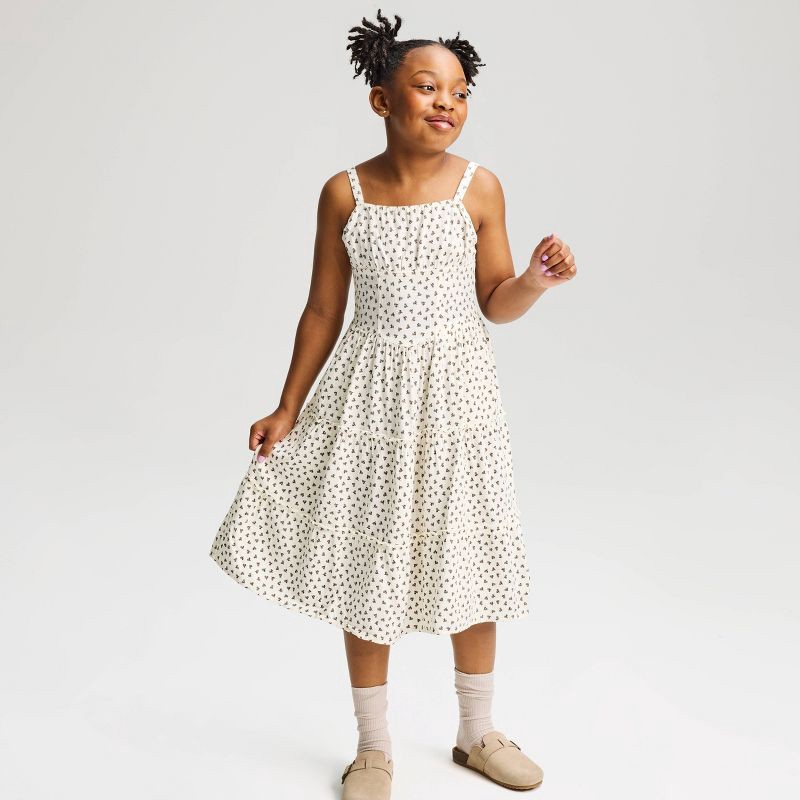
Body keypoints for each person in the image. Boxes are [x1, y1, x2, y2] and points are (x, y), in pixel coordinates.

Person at [209, 9, 577, 798]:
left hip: (457, 403)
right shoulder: (344, 194)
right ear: (382, 99)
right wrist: (287, 406)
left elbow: (495, 302)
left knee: (467, 554)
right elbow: (322, 309)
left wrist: (534, 283)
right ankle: (373, 746)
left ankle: (477, 732)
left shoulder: (480, 188)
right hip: (369, 404)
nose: (447, 102)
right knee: (369, 562)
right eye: (427, 87)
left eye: (461, 91)